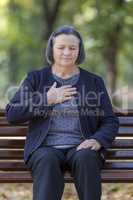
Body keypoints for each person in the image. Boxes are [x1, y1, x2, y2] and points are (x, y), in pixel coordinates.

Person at [5, 25, 119, 200]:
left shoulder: (93, 81)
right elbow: (12, 114)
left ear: (79, 51)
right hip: (45, 148)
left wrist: (98, 140)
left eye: (72, 48)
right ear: (52, 49)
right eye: (61, 47)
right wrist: (46, 99)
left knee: (87, 158)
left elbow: (110, 121)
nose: (67, 52)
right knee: (47, 160)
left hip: (80, 147)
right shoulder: (36, 78)